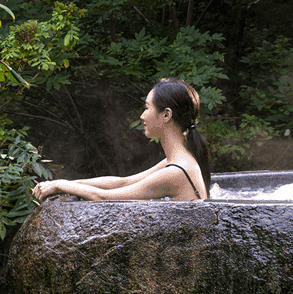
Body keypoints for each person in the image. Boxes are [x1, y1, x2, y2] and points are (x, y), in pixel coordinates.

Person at [32, 77, 211, 202]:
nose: (142, 116)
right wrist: (62, 184)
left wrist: (62, 185)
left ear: (166, 115)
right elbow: (123, 182)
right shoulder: (176, 162)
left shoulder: (176, 171)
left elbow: (105, 198)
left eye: (147, 108)